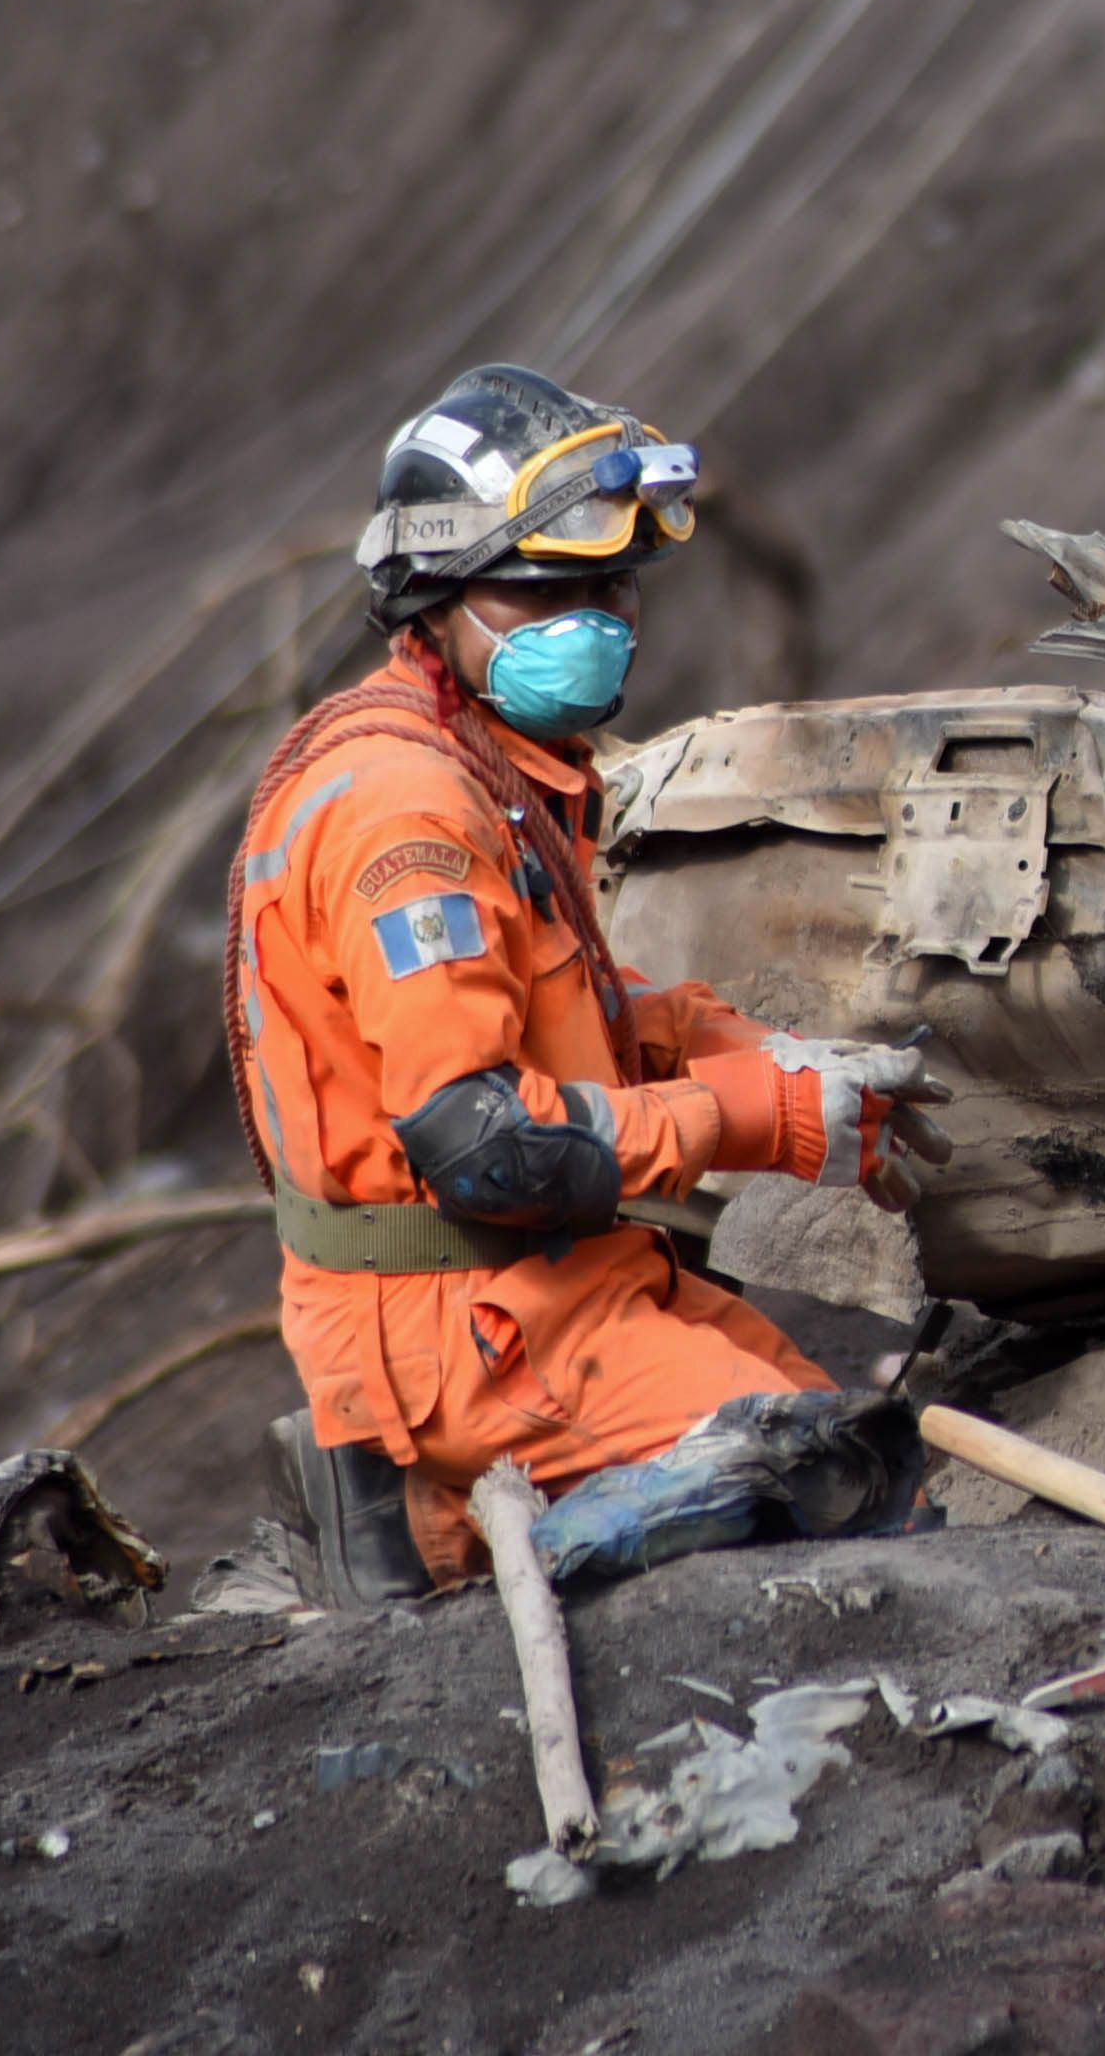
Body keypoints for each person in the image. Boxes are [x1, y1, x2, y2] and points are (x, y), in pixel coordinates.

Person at [226, 365, 941, 1602]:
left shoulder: (493, 760)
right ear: (439, 598)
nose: (598, 616)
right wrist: (755, 1118)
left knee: (847, 1441)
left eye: (609, 584)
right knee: (838, 1488)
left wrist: (756, 1047)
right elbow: (486, 1144)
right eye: (548, 589)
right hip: (462, 1322)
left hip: (557, 1278)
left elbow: (566, 1015)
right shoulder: (408, 816)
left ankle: (423, 1517)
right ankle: (444, 1508)